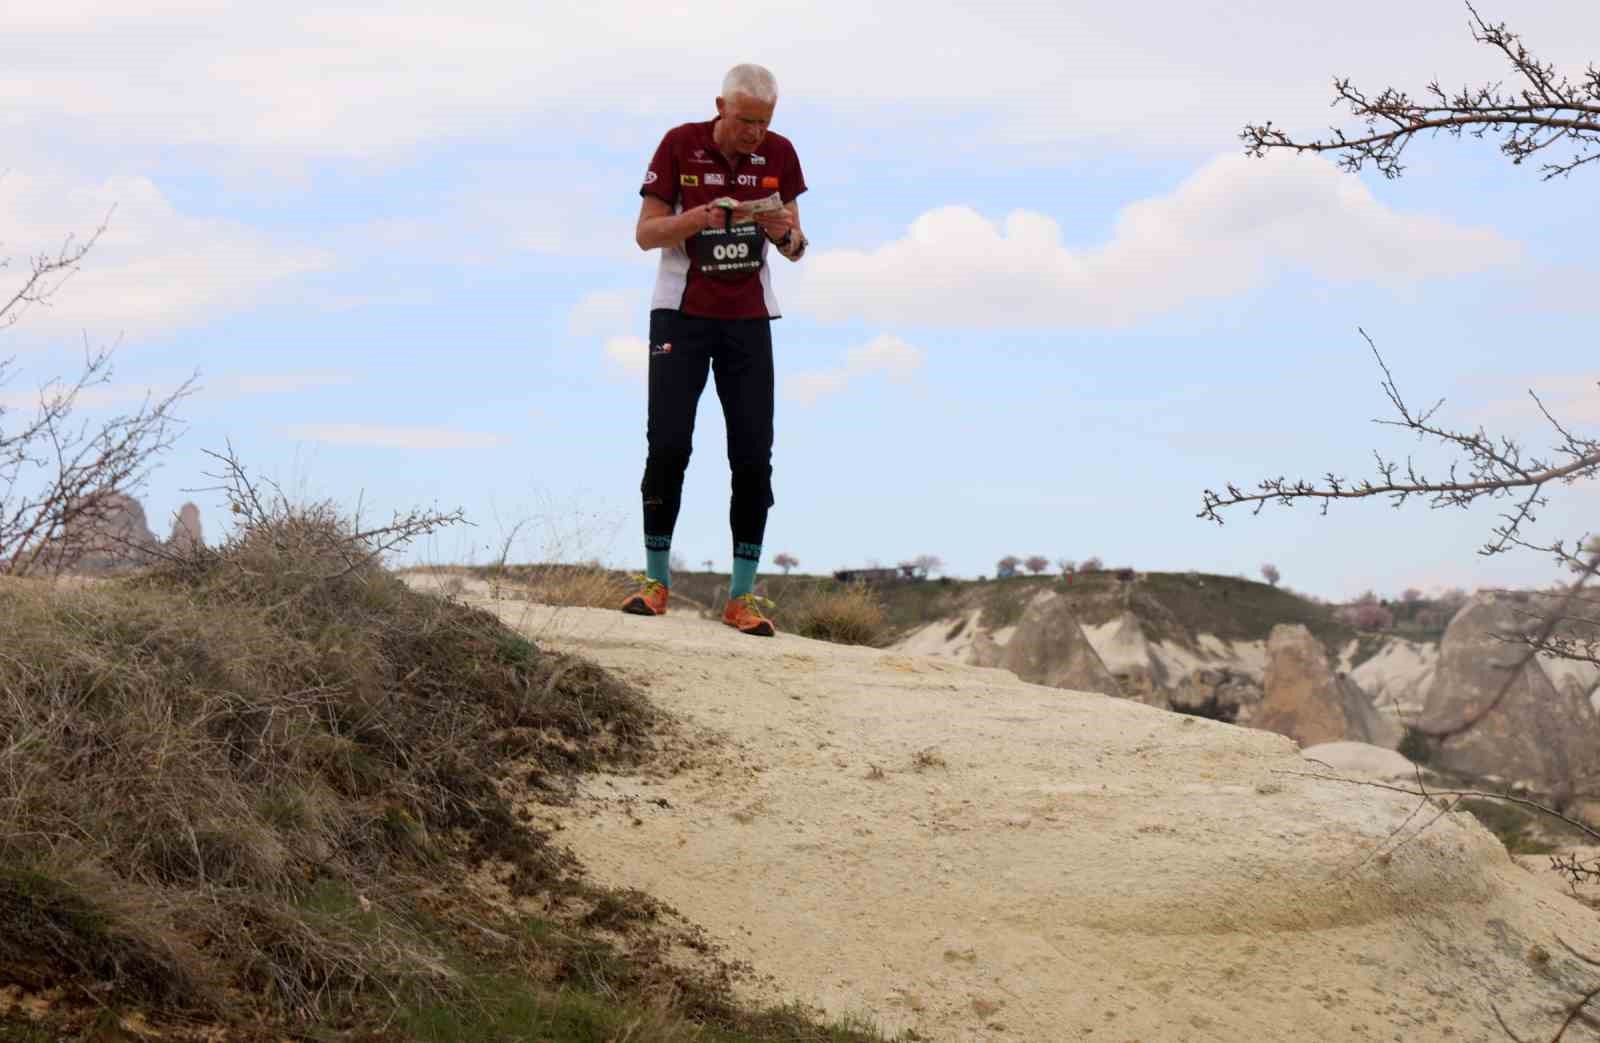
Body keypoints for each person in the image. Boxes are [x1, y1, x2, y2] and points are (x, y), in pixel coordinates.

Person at [620, 63, 808, 637]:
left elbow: (797, 248)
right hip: (680, 313)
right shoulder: (681, 143)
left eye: (764, 122)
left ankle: (742, 597)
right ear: (721, 106)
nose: (755, 133)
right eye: (746, 120)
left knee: (753, 456)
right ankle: (655, 585)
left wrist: (780, 229)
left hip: (750, 319)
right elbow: (645, 233)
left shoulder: (779, 154)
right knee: (670, 444)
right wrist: (700, 217)